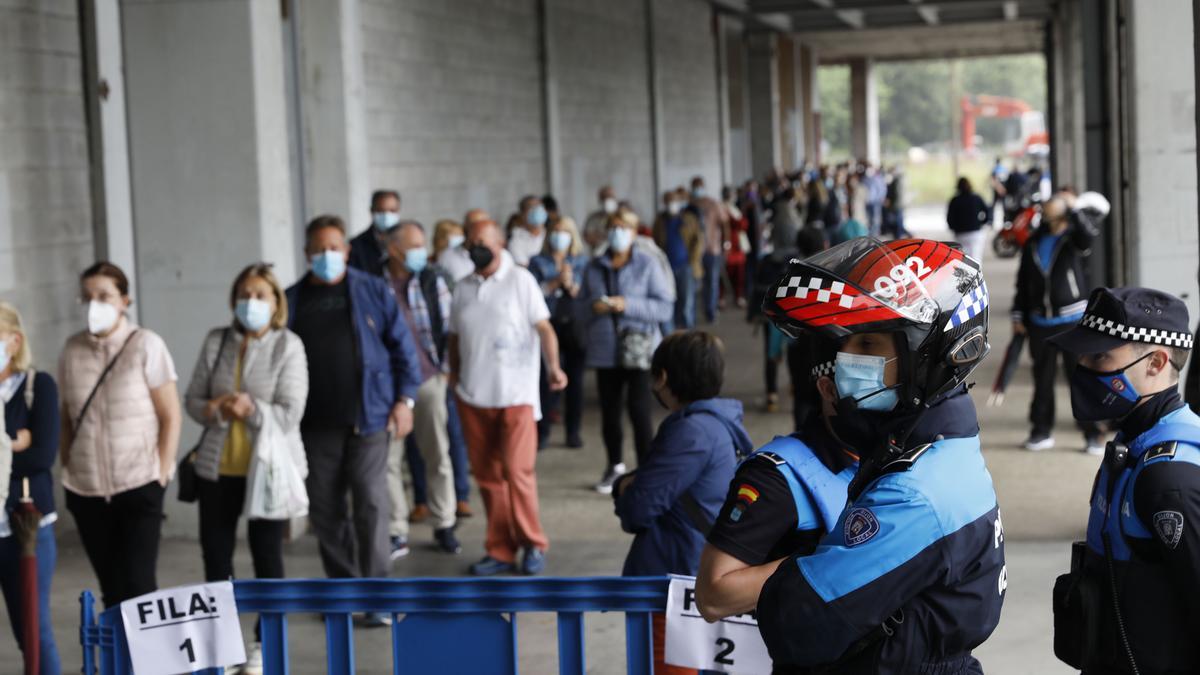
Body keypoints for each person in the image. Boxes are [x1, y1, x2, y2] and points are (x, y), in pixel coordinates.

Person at [754, 237, 1004, 673]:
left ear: (928, 358)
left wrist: (801, 566)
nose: (845, 359)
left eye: (868, 345)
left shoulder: (915, 493)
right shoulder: (945, 449)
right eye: (845, 343)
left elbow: (796, 623)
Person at [1048, 287, 1200, 674]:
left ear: (1156, 362)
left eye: (1100, 355)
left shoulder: (1170, 477)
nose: (1083, 365)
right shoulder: (1132, 443)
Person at [285, 215, 422, 626]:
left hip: (370, 417)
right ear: (308, 253)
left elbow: (404, 350)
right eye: (319, 249)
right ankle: (344, 590)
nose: (327, 255)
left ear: (346, 250)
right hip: (314, 424)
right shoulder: (292, 299)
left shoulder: (372, 290)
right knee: (326, 510)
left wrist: (406, 401)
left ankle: (378, 594)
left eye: (334, 248)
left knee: (371, 502)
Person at [184, 263, 308, 670]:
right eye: (243, 294)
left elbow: (291, 412)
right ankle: (223, 645)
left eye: (259, 295)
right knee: (216, 560)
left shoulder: (287, 345)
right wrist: (216, 408)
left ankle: (263, 644)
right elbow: (193, 400)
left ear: (275, 303)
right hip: (217, 469)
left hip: (266, 471)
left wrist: (250, 409)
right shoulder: (217, 340)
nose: (250, 302)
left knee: (266, 559)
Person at [694, 337, 856, 636]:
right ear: (828, 389)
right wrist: (829, 558)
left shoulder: (905, 453)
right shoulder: (777, 475)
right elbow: (712, 596)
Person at [612, 331, 751, 675]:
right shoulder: (716, 426)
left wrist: (623, 487)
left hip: (678, 586)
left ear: (662, 377)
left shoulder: (692, 432)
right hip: (694, 580)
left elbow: (638, 509)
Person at [448, 217, 567, 576]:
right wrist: (454, 377)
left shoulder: (520, 280)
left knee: (517, 472)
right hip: (473, 395)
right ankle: (500, 549)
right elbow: (454, 336)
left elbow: (543, 327)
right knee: (487, 477)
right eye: (470, 241)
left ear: (500, 242)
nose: (475, 246)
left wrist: (554, 368)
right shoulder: (463, 287)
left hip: (515, 394)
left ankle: (533, 543)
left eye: (482, 239)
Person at [59, 262, 182, 608]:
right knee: (111, 590)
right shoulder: (71, 351)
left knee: (139, 586)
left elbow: (170, 415)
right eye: (87, 297)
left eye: (104, 296)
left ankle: (148, 662)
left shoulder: (146, 345)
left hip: (139, 483)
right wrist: (67, 466)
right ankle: (121, 663)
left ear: (124, 300)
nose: (94, 305)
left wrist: (160, 471)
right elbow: (66, 418)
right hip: (87, 489)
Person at [579, 210, 674, 494]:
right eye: (613, 227)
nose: (617, 232)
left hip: (639, 349)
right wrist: (593, 307)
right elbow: (581, 306)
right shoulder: (594, 266)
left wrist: (627, 305)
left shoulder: (647, 264)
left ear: (634, 233)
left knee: (640, 411)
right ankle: (614, 466)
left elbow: (664, 306)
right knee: (609, 413)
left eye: (623, 228)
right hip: (605, 349)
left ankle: (646, 469)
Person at [381, 221, 461, 557]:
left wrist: (444, 372)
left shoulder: (431, 279)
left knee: (437, 453)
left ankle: (444, 522)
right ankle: (395, 530)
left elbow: (449, 326)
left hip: (428, 380)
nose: (420, 251)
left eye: (421, 244)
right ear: (394, 249)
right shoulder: (374, 283)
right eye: (413, 245)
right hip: (388, 386)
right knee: (388, 460)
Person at [1012, 192, 1107, 454]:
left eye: (1053, 202)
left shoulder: (1074, 239)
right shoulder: (1034, 240)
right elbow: (1023, 282)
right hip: (1039, 321)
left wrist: (1074, 207)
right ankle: (1041, 431)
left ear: (1065, 210)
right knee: (1042, 380)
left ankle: (1092, 433)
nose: (1046, 206)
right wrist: (1018, 315)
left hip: (1073, 321)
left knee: (1081, 379)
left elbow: (1088, 236)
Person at [0, 303, 61, 674]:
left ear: (13, 340)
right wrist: (12, 442)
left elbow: (41, 456)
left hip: (25, 527)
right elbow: (23, 450)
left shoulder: (39, 386)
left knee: (33, 632)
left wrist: (4, 450)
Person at [528, 216, 590, 449]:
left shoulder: (582, 261)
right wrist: (554, 282)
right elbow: (533, 294)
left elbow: (585, 294)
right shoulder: (538, 262)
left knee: (575, 382)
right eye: (555, 231)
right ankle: (542, 431)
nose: (559, 236)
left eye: (565, 231)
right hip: (548, 325)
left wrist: (570, 282)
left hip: (575, 325)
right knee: (546, 381)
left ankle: (573, 432)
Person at [652, 188, 703, 331]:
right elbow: (655, 241)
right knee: (669, 300)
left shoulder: (688, 219)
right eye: (668, 201)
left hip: (685, 266)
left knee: (686, 301)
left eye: (673, 201)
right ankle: (672, 333)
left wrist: (692, 260)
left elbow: (698, 241)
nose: (671, 204)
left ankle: (688, 331)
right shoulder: (660, 220)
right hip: (666, 268)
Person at [690, 176, 729, 324]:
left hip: (712, 249)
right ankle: (692, 315)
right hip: (694, 253)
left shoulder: (713, 204)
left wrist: (727, 243)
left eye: (699, 186)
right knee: (694, 284)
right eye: (695, 186)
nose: (697, 190)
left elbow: (725, 223)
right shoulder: (690, 206)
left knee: (711, 282)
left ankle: (710, 311)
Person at [349, 189, 402, 277]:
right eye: (381, 211)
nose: (386, 216)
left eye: (392, 211)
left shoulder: (408, 243)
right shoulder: (356, 246)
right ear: (371, 211)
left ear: (398, 211)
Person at [946, 176, 991, 263]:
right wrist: (983, 222)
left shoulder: (955, 200)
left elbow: (949, 217)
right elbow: (987, 210)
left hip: (960, 233)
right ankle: (977, 275)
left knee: (962, 259)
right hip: (975, 232)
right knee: (976, 258)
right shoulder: (977, 198)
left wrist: (953, 227)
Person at [722, 186, 749, 309]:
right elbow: (740, 223)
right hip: (730, 246)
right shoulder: (724, 208)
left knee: (739, 275)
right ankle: (722, 298)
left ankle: (738, 296)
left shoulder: (733, 207)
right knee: (726, 274)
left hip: (738, 247)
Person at [507, 195, 548, 267]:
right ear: (522, 215)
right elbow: (526, 270)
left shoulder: (551, 233)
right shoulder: (515, 241)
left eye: (539, 206)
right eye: (532, 207)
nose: (537, 210)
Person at [432, 218, 475, 283]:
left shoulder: (465, 256)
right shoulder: (435, 260)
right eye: (456, 235)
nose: (461, 239)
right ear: (441, 239)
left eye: (461, 235)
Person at [583, 185, 620, 252]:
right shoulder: (593, 218)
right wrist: (607, 236)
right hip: (599, 254)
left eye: (610, 197)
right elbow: (588, 237)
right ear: (600, 199)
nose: (607, 200)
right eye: (604, 197)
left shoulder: (622, 217)